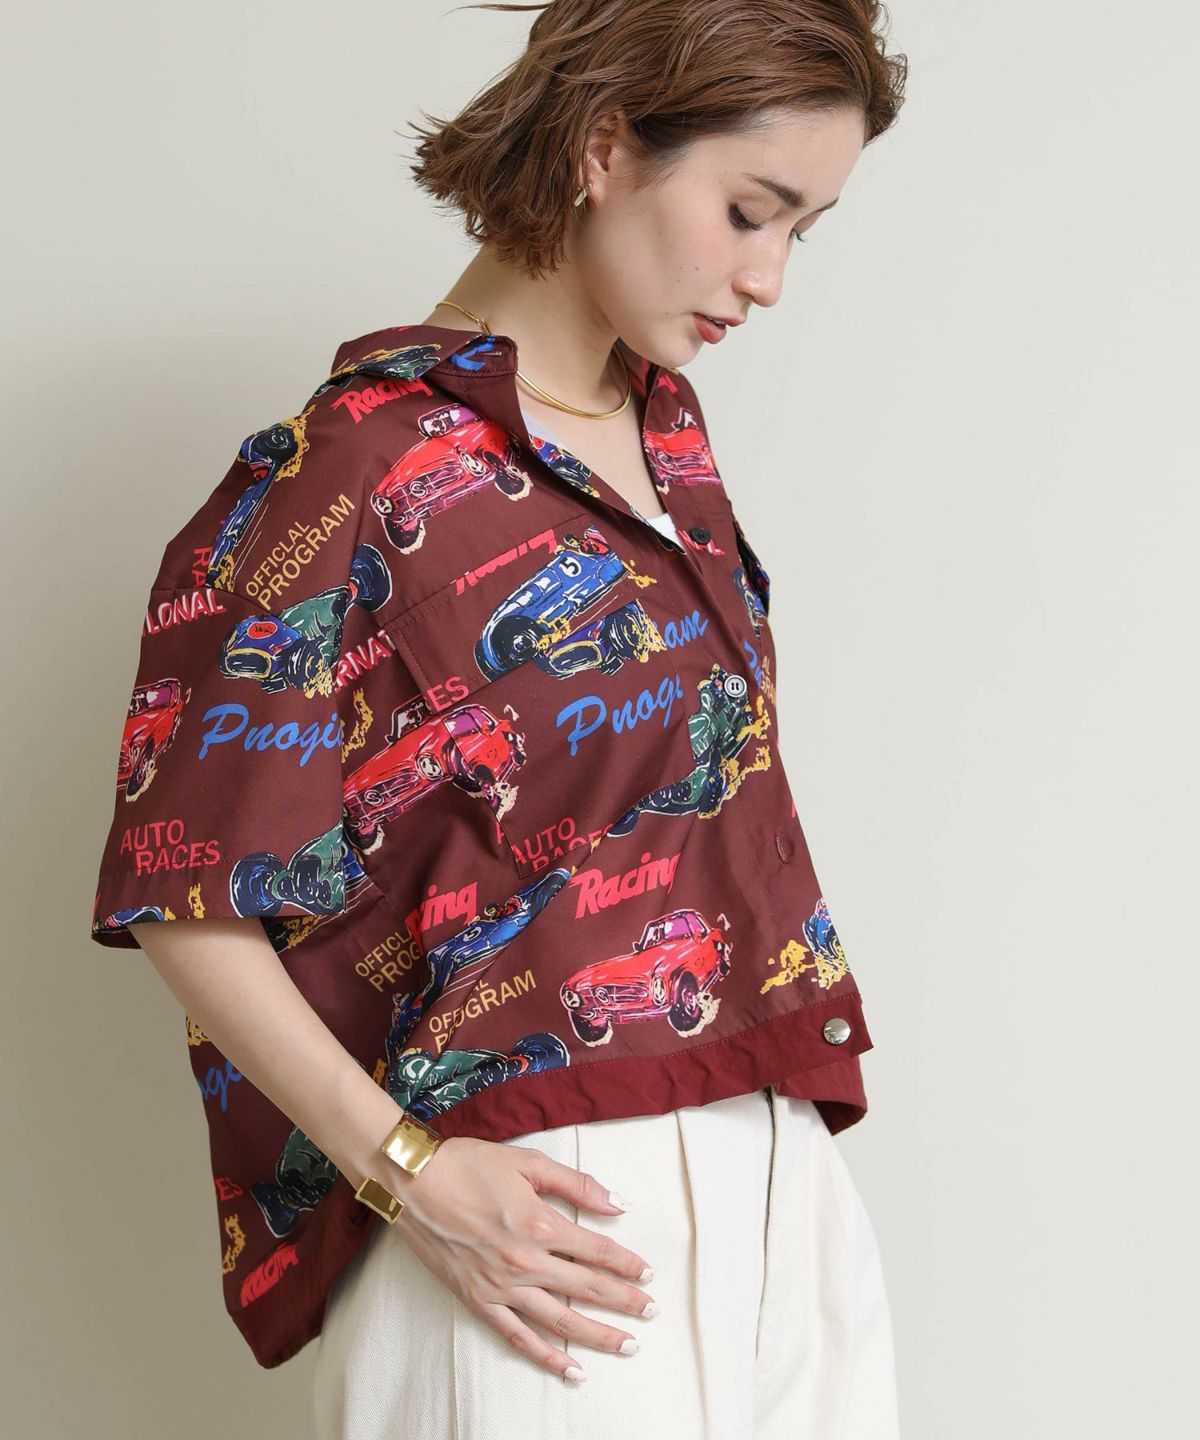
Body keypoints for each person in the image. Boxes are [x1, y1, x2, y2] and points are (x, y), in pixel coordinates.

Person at [88, 1, 909, 1435]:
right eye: (750, 212)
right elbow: (183, 888)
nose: (769, 278)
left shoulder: (665, 432)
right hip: (547, 1223)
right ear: (604, 148)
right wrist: (411, 1175)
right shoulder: (347, 465)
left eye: (804, 230)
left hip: (780, 1184)